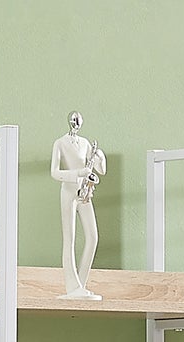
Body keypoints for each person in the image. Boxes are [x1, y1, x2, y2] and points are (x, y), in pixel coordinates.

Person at [51, 111, 105, 300]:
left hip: (85, 192)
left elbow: (100, 170)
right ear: (70, 122)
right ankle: (72, 285)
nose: (77, 124)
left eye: (79, 121)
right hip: (69, 191)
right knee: (70, 239)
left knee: (93, 237)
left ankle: (80, 284)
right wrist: (78, 173)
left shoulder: (85, 143)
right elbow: (54, 172)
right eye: (74, 121)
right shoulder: (60, 143)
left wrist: (99, 157)